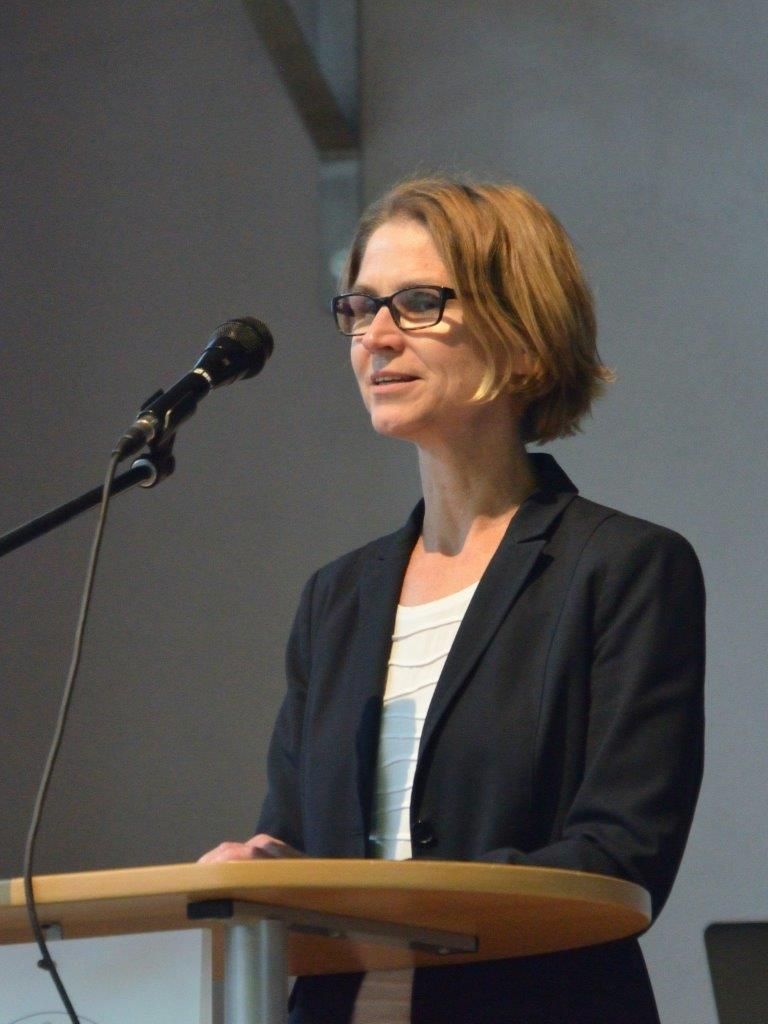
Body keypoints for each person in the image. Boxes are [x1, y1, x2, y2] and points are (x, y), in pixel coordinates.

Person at [199, 178, 705, 1023]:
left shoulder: (622, 569)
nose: (376, 336)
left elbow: (620, 856)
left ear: (525, 340)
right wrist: (261, 870)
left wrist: (389, 903)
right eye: (361, 307)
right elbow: (297, 836)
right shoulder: (336, 599)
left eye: (418, 304)